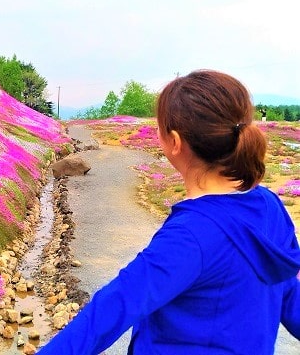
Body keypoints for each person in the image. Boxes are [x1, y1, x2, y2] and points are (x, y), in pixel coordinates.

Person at [37, 70, 300, 354]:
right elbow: (288, 293)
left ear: (174, 142)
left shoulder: (190, 235)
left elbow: (113, 308)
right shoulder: (269, 205)